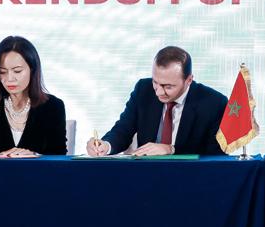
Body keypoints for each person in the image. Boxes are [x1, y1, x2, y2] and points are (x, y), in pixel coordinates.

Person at [86, 46, 227, 156]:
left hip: (192, 177)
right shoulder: (143, 89)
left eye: (168, 86)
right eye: (155, 82)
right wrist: (106, 145)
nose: (159, 92)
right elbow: (123, 129)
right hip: (147, 174)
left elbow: (215, 155)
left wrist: (171, 149)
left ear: (188, 80)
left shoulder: (214, 103)